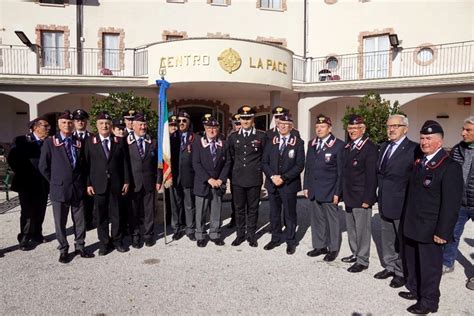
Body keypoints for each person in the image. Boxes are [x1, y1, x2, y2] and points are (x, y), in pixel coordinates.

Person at [399, 120, 463, 314]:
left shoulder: (449, 166)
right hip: (412, 224)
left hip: (430, 229)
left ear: (439, 142)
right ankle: (416, 290)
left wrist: (443, 231)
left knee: (430, 268)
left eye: (429, 138)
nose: (424, 142)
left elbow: (451, 205)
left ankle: (429, 302)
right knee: (413, 261)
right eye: (422, 138)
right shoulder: (420, 161)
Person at [39, 110, 94, 263]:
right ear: (59, 124)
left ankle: (80, 246)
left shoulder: (78, 142)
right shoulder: (50, 142)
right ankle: (63, 249)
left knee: (80, 220)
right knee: (60, 222)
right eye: (64, 122)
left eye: (70, 123)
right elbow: (43, 166)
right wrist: (55, 181)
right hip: (59, 189)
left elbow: (83, 165)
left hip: (77, 188)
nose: (67, 125)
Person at [375, 114, 420, 287]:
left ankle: (401, 272)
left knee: (402, 240)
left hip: (402, 203)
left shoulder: (413, 149)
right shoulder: (384, 146)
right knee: (387, 237)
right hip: (385, 200)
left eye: (395, 126)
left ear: (405, 129)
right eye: (388, 126)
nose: (391, 129)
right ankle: (390, 266)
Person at [84, 112, 130, 255]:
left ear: (111, 126)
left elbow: (125, 163)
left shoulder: (119, 141)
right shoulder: (90, 142)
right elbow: (86, 165)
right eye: (101, 123)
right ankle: (104, 243)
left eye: (107, 123)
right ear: (97, 125)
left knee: (116, 214)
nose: (104, 126)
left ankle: (117, 240)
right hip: (98, 184)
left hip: (116, 183)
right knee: (101, 215)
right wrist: (88, 183)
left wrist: (127, 181)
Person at [262, 113, 305, 255]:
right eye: (281, 124)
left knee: (290, 214)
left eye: (286, 124)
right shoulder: (271, 141)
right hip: (273, 183)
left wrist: (284, 177)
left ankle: (290, 241)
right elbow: (264, 162)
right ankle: (275, 238)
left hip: (289, 185)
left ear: (291, 126)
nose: (283, 126)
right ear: (277, 125)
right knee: (274, 213)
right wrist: (272, 176)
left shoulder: (298, 142)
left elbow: (299, 165)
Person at [303, 114, 344, 262]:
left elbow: (341, 172)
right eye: (317, 127)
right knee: (317, 220)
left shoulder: (338, 145)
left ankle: (333, 248)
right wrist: (306, 186)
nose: (319, 129)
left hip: (329, 190)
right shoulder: (311, 143)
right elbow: (308, 167)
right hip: (314, 189)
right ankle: (319, 245)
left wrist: (337, 192)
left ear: (330, 128)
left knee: (332, 221)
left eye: (322, 127)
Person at [341, 114, 377, 273]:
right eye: (350, 128)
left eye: (355, 128)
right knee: (352, 228)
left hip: (362, 196)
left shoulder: (369, 147)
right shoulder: (348, 147)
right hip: (349, 195)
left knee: (362, 230)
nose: (352, 131)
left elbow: (371, 176)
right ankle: (355, 253)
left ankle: (363, 260)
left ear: (363, 129)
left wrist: (368, 198)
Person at [8, 116, 51, 250]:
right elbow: (12, 159)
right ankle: (24, 237)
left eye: (48, 126)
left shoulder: (48, 142)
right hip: (26, 183)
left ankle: (37, 233)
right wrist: (24, 173)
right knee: (27, 211)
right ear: (35, 128)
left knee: (40, 209)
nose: (48, 129)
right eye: (45, 126)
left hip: (42, 183)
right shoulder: (22, 140)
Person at [227, 106, 266, 247]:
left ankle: (251, 235)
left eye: (248, 118)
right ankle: (240, 235)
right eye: (243, 118)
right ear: (239, 119)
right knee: (239, 209)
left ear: (252, 119)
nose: (245, 121)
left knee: (253, 208)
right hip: (237, 179)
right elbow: (230, 157)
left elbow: (264, 157)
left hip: (254, 178)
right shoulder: (233, 137)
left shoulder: (261, 136)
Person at [442, 116, 474, 275]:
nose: (463, 133)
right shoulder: (457, 149)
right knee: (452, 234)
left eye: (468, 130)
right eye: (463, 129)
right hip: (459, 203)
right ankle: (447, 262)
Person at [192, 115, 230, 247]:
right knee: (200, 211)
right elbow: (196, 163)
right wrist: (209, 179)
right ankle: (200, 235)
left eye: (214, 128)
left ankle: (215, 234)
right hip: (203, 182)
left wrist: (220, 179)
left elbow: (227, 163)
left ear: (218, 129)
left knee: (216, 210)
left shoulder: (223, 144)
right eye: (209, 128)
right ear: (205, 128)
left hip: (218, 183)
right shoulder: (197, 143)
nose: (212, 130)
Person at [125, 113, 162, 248]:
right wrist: (126, 181)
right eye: (140, 124)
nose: (143, 127)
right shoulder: (126, 141)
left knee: (149, 211)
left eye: (145, 124)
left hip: (149, 182)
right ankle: (135, 236)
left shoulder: (152, 141)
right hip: (134, 183)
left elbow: (158, 163)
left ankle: (149, 235)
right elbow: (124, 164)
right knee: (133, 211)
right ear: (133, 125)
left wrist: (159, 179)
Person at [169, 111, 197, 241]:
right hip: (174, 176)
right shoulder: (170, 138)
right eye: (178, 121)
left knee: (189, 204)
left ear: (188, 122)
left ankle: (190, 229)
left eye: (184, 121)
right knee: (176, 205)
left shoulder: (195, 138)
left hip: (189, 176)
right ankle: (177, 228)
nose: (181, 123)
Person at [72, 109, 94, 230]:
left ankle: (89, 220)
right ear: (74, 122)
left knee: (89, 199)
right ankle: (77, 222)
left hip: (89, 173)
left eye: (83, 120)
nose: (80, 122)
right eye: (77, 120)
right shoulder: (70, 137)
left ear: (86, 122)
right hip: (75, 175)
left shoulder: (93, 137)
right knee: (76, 200)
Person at [227, 112, 242, 228]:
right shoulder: (230, 137)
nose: (239, 126)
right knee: (235, 198)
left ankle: (245, 219)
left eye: (240, 123)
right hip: (234, 172)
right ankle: (235, 218)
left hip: (247, 172)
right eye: (236, 123)